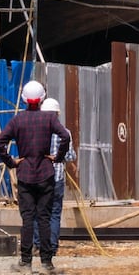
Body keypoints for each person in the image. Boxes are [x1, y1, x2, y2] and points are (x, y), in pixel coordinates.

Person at [0, 81, 70, 273]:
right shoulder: (49, 119)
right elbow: (65, 137)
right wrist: (58, 157)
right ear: (42, 98)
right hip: (46, 173)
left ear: (24, 100)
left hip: (25, 174)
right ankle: (47, 263)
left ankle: (25, 263)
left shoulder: (18, 120)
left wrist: (11, 162)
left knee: (28, 219)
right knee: (44, 218)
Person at [37, 98, 76, 256]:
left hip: (38, 177)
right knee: (54, 213)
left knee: (38, 212)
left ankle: (37, 243)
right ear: (57, 114)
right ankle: (52, 247)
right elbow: (70, 155)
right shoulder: (65, 132)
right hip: (57, 178)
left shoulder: (36, 131)